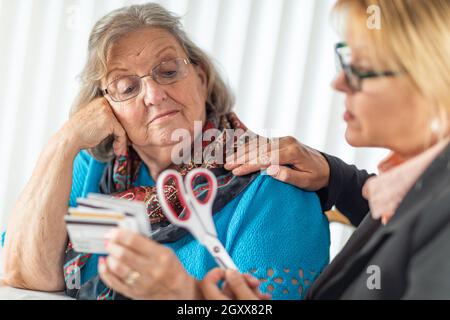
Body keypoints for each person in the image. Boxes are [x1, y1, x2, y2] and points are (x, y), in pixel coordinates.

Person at [1, 3, 330, 300]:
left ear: (200, 78)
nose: (154, 94)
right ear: (106, 108)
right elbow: (23, 274)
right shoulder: (94, 169)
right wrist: (64, 141)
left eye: (169, 71)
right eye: (127, 88)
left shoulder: (272, 186)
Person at [201, 0, 450, 299]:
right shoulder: (411, 184)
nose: (338, 82)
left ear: (433, 80)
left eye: (361, 68)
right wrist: (335, 177)